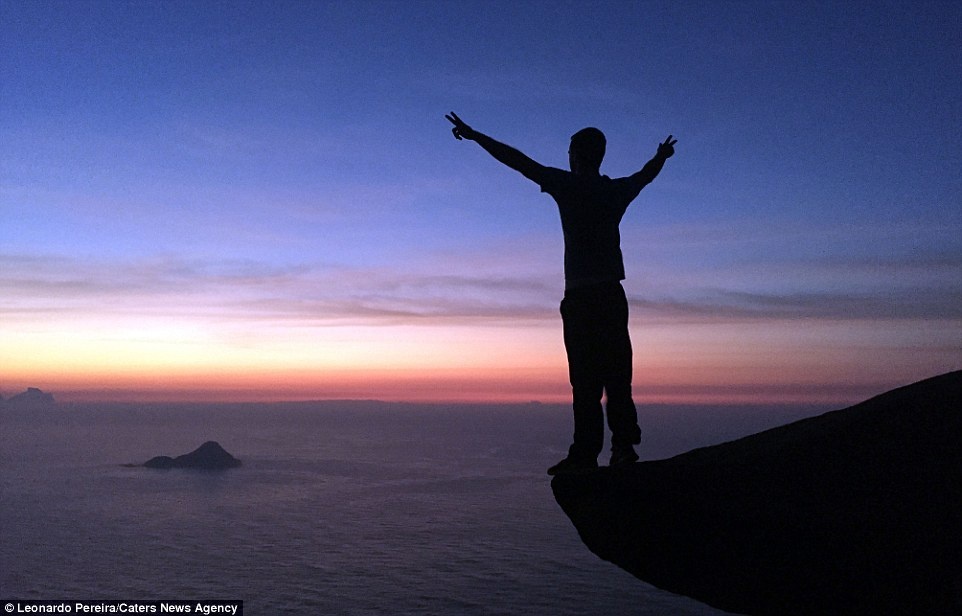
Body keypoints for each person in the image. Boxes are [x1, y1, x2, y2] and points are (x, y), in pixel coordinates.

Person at [445, 112, 676, 475]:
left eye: (570, 150)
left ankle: (586, 455)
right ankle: (622, 448)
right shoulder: (613, 192)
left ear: (577, 155)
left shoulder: (567, 186)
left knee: (584, 382)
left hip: (582, 300)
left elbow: (518, 161)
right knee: (617, 376)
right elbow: (644, 177)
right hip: (611, 298)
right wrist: (660, 157)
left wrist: (476, 136)